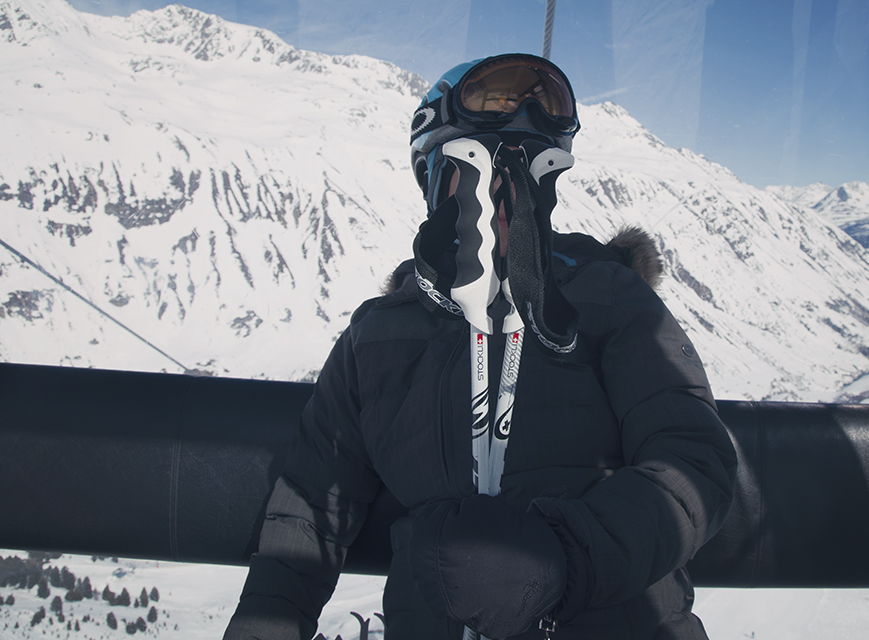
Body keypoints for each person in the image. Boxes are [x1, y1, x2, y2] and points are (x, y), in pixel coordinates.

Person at [224, 53, 737, 640]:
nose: (505, 194)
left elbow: (693, 459)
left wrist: (564, 560)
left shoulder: (608, 298)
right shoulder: (379, 338)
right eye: (484, 167)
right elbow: (310, 509)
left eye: (525, 174)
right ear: (436, 179)